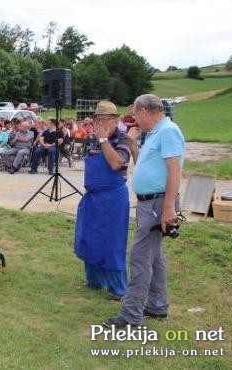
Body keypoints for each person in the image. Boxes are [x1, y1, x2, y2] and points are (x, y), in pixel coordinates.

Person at [105, 94, 185, 327]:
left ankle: (130, 315)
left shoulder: (168, 131)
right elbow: (145, 165)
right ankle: (157, 306)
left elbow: (174, 170)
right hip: (149, 203)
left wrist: (169, 207)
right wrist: (132, 143)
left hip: (158, 203)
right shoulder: (155, 133)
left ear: (145, 111)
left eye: (136, 115)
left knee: (140, 258)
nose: (135, 121)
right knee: (155, 257)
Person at [74, 101, 132, 301]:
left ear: (115, 120)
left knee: (112, 242)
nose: (101, 123)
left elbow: (117, 163)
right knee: (90, 238)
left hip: (113, 198)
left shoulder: (122, 139)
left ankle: (117, 289)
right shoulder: (93, 140)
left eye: (106, 120)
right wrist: (99, 139)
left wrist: (104, 140)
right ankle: (94, 280)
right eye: (98, 120)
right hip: (93, 197)